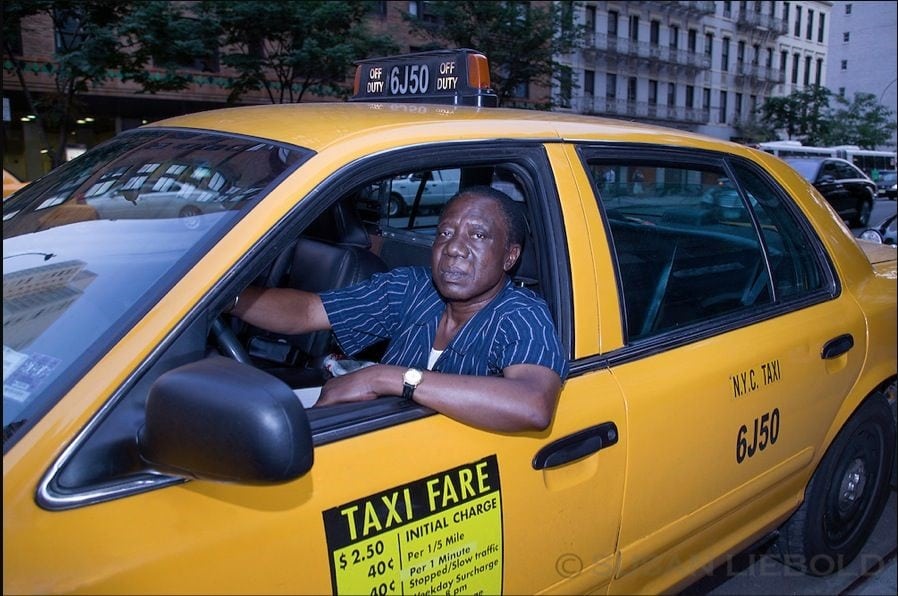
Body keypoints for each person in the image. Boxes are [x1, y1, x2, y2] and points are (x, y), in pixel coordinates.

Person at [231, 186, 569, 432]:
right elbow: (307, 312)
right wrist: (224, 299)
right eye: (445, 233)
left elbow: (533, 404)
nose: (454, 248)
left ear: (510, 256)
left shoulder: (521, 314)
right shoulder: (411, 288)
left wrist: (386, 378)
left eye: (478, 236)